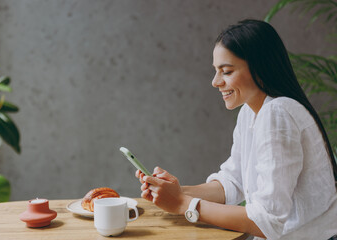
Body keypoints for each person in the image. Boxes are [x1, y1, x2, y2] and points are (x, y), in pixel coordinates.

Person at [136, 19, 337, 240]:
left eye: (227, 71)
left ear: (260, 69)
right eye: (216, 71)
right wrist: (177, 191)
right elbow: (233, 182)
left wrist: (184, 204)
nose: (215, 82)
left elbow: (266, 221)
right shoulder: (251, 112)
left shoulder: (278, 113)